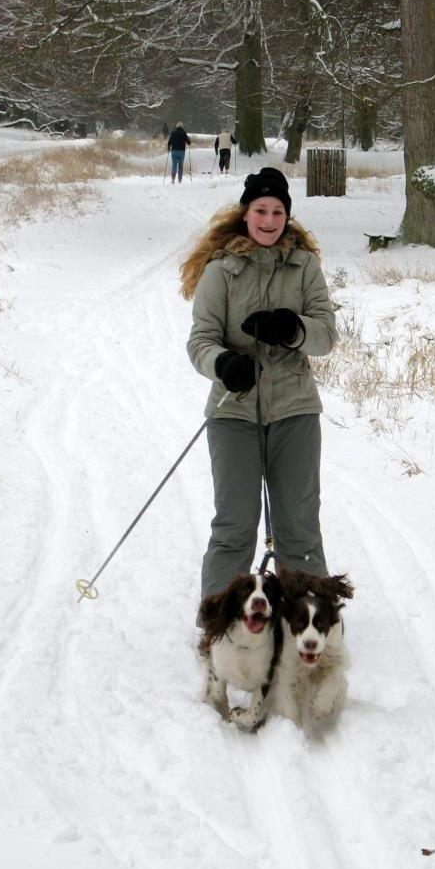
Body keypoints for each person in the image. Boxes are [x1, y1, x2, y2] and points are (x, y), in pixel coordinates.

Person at [180, 167, 338, 603]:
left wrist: (292, 327)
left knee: (299, 523)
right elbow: (200, 341)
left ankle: (309, 616)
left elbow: (326, 334)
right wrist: (224, 363)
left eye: (278, 211)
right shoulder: (221, 271)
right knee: (234, 523)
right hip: (233, 412)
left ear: (288, 216)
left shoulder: (305, 267)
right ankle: (220, 619)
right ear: (245, 214)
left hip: (295, 410)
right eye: (261, 210)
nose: (269, 220)